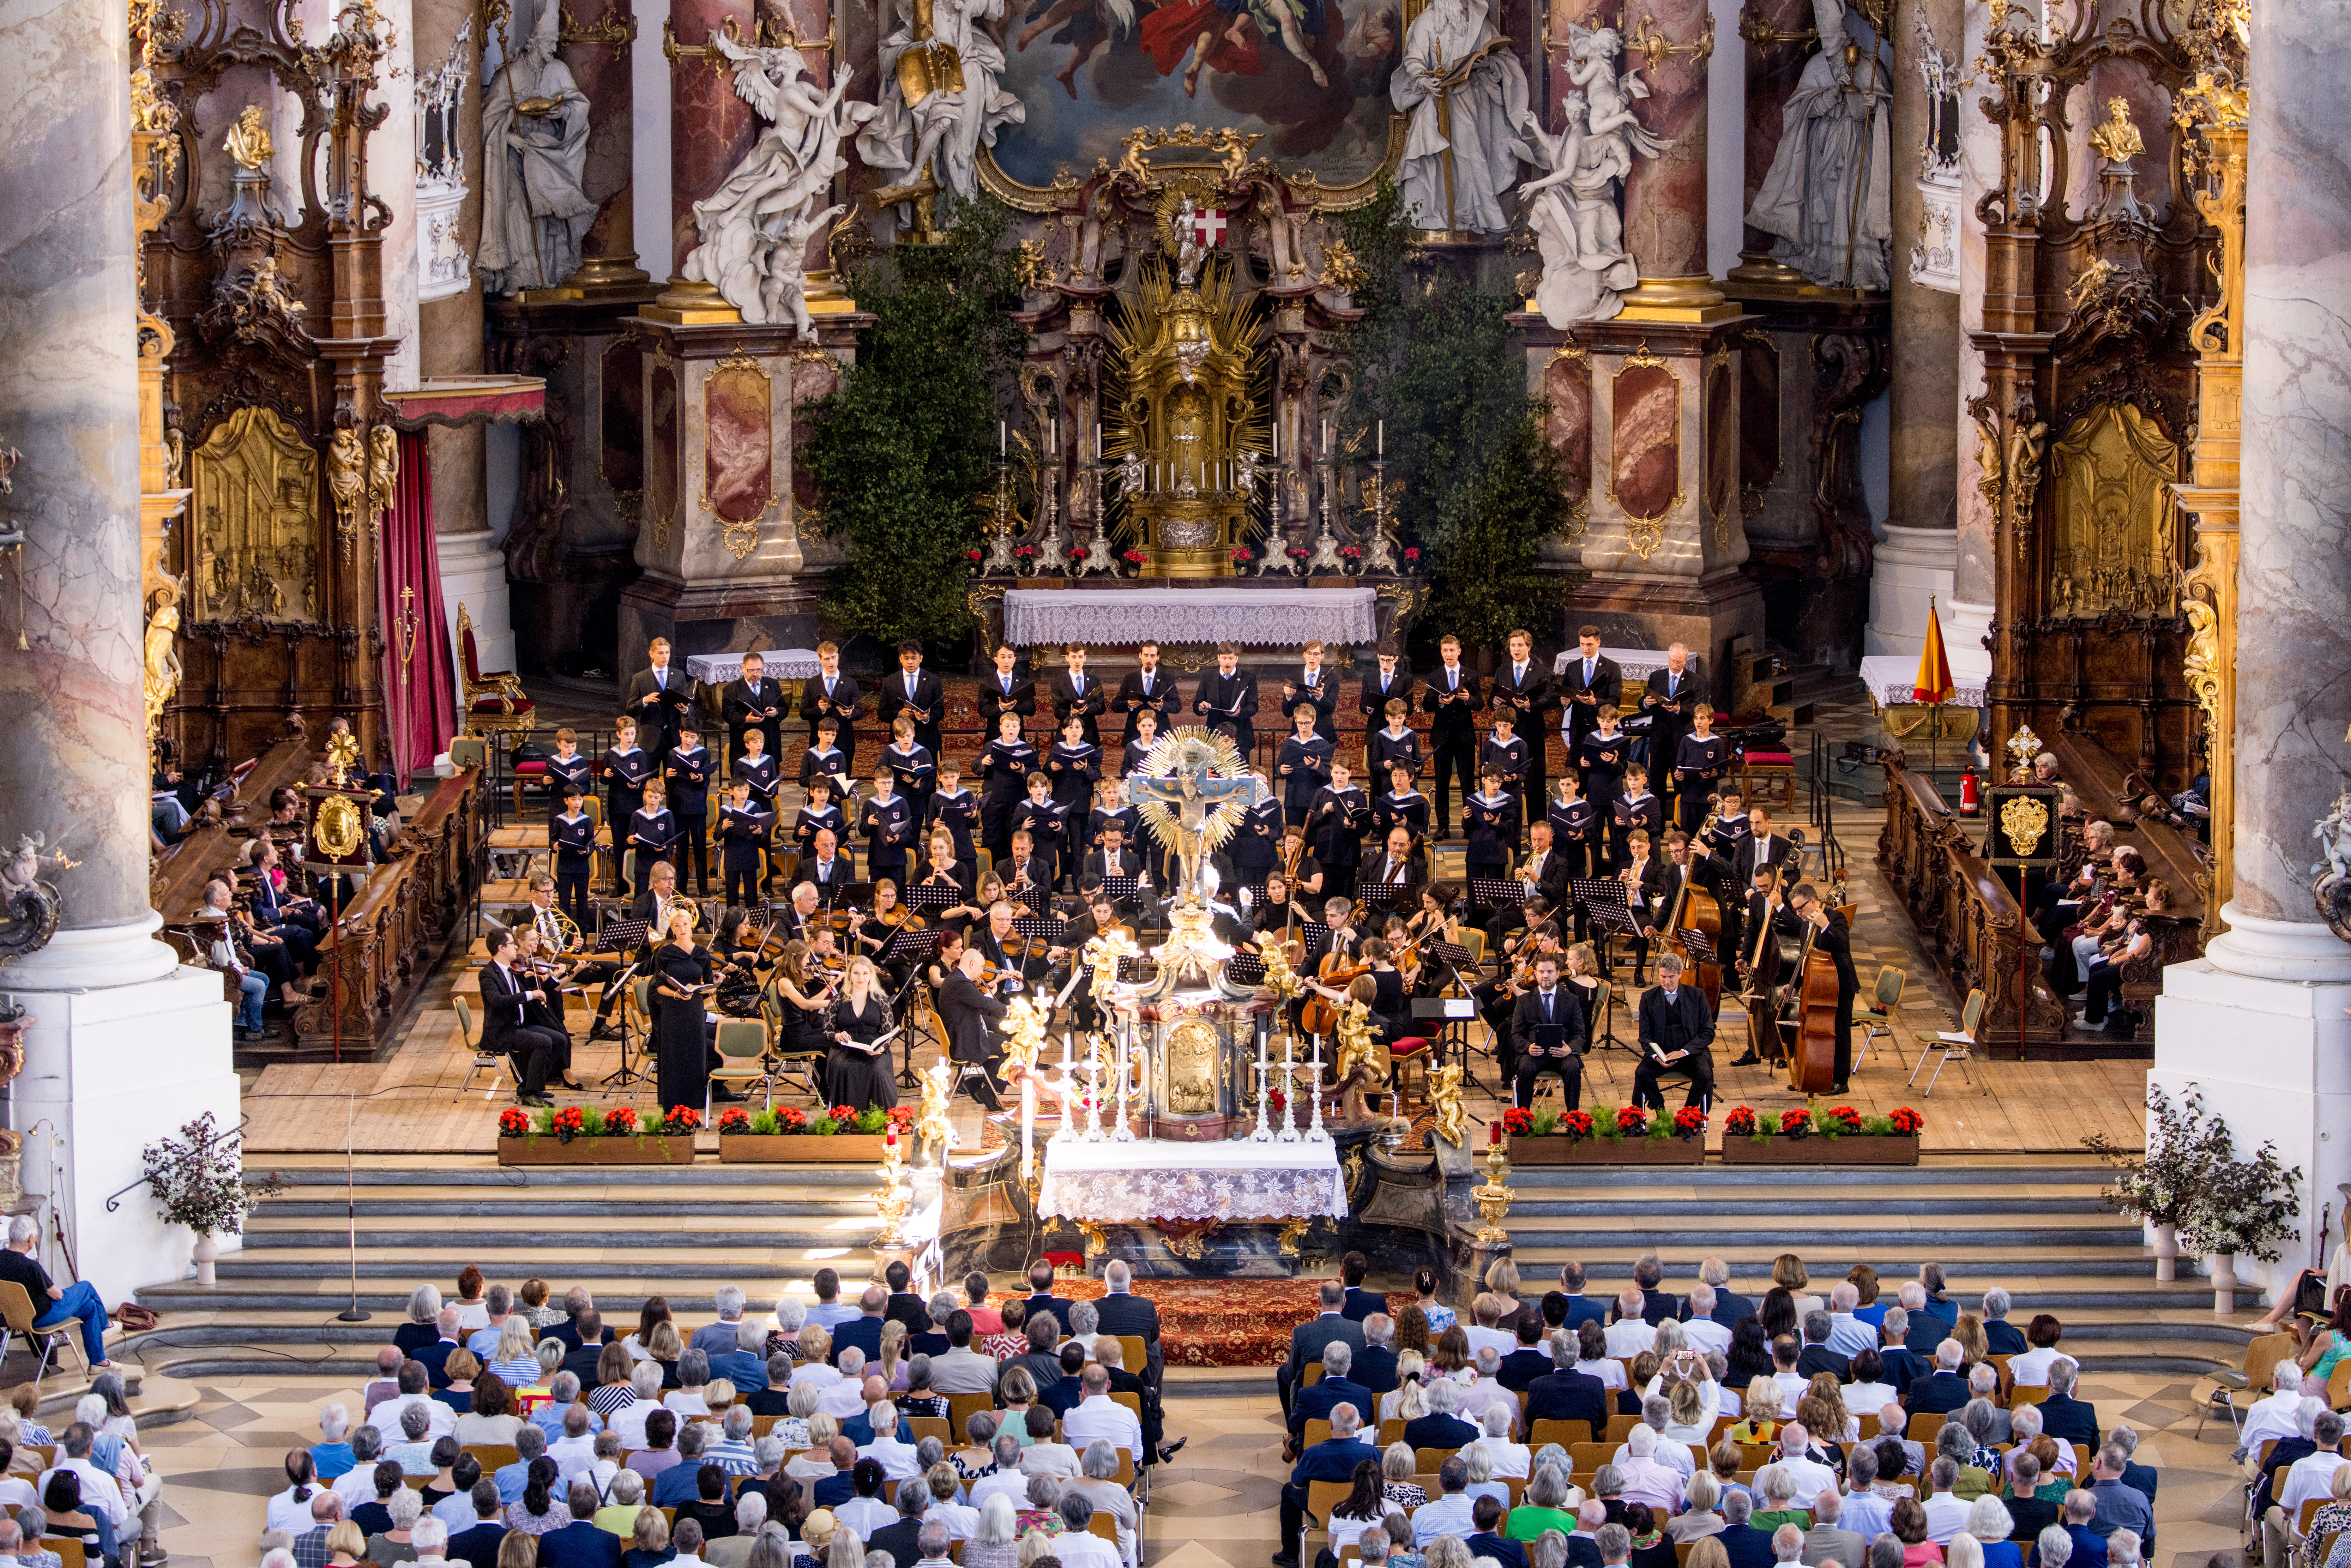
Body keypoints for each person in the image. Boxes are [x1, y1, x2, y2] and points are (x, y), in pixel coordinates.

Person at [0, 1217, 111, 1373]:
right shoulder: (31, 1267)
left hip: (13, 1317)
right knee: (86, 1287)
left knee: (90, 1306)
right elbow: (57, 1296)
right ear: (30, 1239)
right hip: (41, 1317)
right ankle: (105, 1326)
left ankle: (99, 1362)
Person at [649, 902, 717, 1112]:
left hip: (694, 1010)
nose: (682, 929)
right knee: (674, 1056)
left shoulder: (702, 954)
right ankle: (671, 1104)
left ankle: (694, 1103)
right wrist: (676, 993)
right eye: (677, 926)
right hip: (673, 1010)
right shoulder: (665, 953)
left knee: (695, 1055)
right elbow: (659, 987)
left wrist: (698, 988)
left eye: (685, 924)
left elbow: (710, 987)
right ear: (672, 929)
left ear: (691, 925)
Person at [1632, 953, 1714, 1110]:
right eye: (1663, 977)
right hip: (1661, 1055)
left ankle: (1688, 1114)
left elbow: (1708, 1032)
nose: (1667, 982)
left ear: (1680, 974)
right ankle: (1660, 1110)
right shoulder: (1648, 998)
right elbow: (1645, 1036)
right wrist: (1657, 1056)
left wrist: (1684, 1052)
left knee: (1705, 1076)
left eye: (1671, 977)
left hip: (1691, 1055)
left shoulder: (1697, 996)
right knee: (1642, 1073)